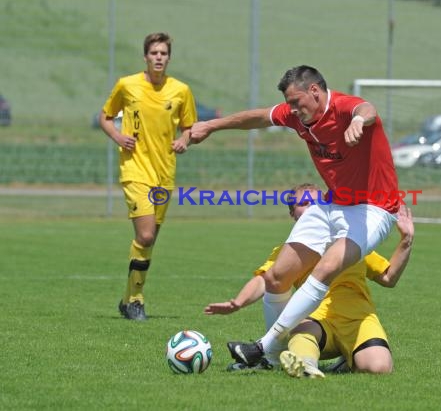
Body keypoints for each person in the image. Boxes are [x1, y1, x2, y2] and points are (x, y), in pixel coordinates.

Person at [190, 65, 399, 365]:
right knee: (278, 276)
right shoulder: (296, 114)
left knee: (325, 268)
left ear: (314, 91)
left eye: (296, 102)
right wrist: (212, 125)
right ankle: (273, 359)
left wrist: (357, 121)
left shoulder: (343, 108)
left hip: (373, 210)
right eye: (288, 104)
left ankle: (263, 348)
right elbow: (260, 116)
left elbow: (367, 109)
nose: (292, 110)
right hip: (331, 205)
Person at [204, 184, 414, 378]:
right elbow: (266, 280)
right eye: (303, 204)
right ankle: (304, 366)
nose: (312, 207)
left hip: (359, 319)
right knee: (302, 341)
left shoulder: (351, 243)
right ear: (293, 215)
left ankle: (348, 357)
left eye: (317, 202)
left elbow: (388, 277)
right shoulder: (290, 252)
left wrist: (405, 241)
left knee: (379, 368)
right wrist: (238, 302)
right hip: (314, 323)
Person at [99, 32, 197, 320]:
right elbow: (105, 117)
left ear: (169, 57)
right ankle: (137, 301)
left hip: (164, 173)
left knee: (149, 240)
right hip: (135, 170)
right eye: (154, 52)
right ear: (145, 56)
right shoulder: (127, 85)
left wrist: (184, 141)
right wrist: (118, 136)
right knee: (144, 234)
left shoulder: (181, 90)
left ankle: (128, 299)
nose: (158, 57)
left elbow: (190, 126)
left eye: (163, 53)